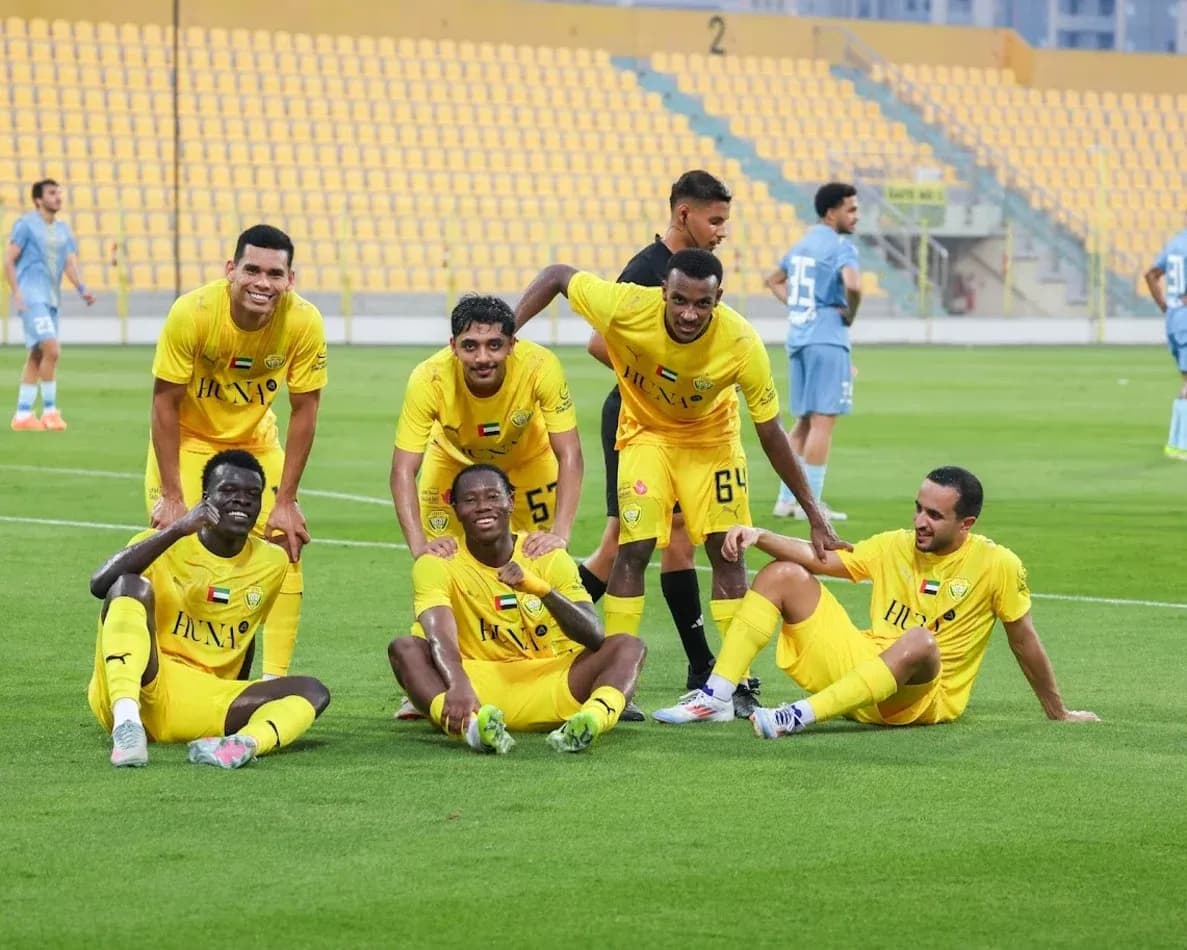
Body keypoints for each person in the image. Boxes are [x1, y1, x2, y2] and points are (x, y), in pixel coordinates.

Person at [514, 248, 847, 718]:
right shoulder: (625, 304)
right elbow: (555, 275)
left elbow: (771, 432)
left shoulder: (741, 343)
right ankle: (615, 682)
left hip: (712, 445)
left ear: (719, 299)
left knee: (728, 550)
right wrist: (508, 330)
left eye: (702, 304)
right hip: (645, 437)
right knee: (633, 549)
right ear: (663, 294)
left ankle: (737, 687)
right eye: (679, 301)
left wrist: (815, 513)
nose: (689, 314)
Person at [653, 466, 1100, 733]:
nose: (920, 521)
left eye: (935, 515)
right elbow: (821, 559)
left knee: (921, 640)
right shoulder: (895, 544)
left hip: (920, 698)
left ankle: (797, 717)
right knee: (783, 574)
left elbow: (1023, 640)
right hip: (863, 670)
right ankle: (717, 696)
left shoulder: (997, 564)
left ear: (966, 524)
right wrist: (759, 536)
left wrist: (1056, 710)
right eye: (919, 508)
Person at [146, 224, 327, 682]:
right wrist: (171, 494)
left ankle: (273, 682)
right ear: (231, 269)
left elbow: (304, 411)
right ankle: (164, 669)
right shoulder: (193, 312)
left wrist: (286, 501)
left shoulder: (304, 321)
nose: (262, 283)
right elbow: (164, 402)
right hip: (189, 438)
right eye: (252, 270)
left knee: (286, 540)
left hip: (254, 442)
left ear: (290, 279)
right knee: (177, 540)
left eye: (275, 273)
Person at [581, 170, 732, 704]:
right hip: (635, 421)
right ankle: (547, 633)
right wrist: (661, 379)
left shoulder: (698, 273)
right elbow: (599, 343)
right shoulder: (647, 270)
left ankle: (702, 666)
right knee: (623, 544)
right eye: (714, 220)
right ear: (683, 214)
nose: (721, 231)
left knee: (672, 542)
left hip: (678, 430)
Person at [88, 449, 331, 768]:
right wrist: (176, 529)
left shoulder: (272, 562)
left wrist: (243, 689)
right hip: (143, 683)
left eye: (252, 494)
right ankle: (127, 726)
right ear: (205, 498)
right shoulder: (161, 543)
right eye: (228, 491)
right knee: (129, 586)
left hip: (202, 702)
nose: (241, 500)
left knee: (313, 691)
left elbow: (246, 634)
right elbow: (100, 584)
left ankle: (241, 745)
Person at [387, 464, 647, 754]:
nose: (483, 507)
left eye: (492, 496)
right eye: (470, 500)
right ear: (455, 508)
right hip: (476, 687)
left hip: (551, 681)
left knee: (628, 646)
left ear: (510, 501)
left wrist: (540, 588)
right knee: (405, 648)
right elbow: (439, 635)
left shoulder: (547, 556)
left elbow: (594, 635)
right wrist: (458, 684)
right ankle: (474, 730)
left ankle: (590, 722)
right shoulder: (436, 562)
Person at [390, 294, 582, 559]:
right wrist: (418, 546)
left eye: (494, 345)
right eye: (470, 346)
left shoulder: (540, 366)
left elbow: (570, 452)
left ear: (512, 345)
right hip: (453, 461)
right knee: (440, 559)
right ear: (453, 346)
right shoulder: (428, 379)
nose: (482, 358)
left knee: (543, 555)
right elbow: (403, 468)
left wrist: (561, 533)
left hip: (528, 460)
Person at [766, 182, 861, 520]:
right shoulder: (840, 246)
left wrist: (797, 307)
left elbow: (773, 279)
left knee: (804, 422)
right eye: (850, 209)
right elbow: (852, 285)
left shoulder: (803, 245)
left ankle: (785, 500)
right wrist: (849, 313)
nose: (856, 216)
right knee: (823, 422)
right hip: (827, 337)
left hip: (800, 336)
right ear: (831, 212)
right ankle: (812, 506)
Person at [7, 178, 95, 431]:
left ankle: (23, 415)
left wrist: (81, 289)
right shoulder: (25, 225)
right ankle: (50, 412)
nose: (58, 197)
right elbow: (8, 260)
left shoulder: (63, 229)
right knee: (52, 350)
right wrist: (18, 294)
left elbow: (69, 263)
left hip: (52, 299)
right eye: (52, 193)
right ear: (38, 199)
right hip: (33, 297)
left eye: (59, 192)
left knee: (38, 354)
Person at [1143, 226, 1187, 460]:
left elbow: (1151, 275)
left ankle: (1177, 442)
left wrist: (1165, 307)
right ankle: (1181, 445)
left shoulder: (1175, 243)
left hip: (1174, 319)